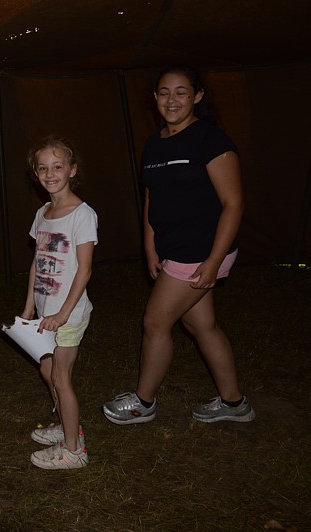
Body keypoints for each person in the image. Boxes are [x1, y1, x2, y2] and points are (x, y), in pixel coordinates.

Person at [102, 65, 255, 425]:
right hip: (175, 247)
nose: (172, 100)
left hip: (199, 250)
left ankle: (143, 403)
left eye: (181, 92)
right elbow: (152, 197)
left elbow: (234, 204)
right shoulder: (155, 143)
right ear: (155, 98)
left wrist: (214, 260)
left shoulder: (211, 141)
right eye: (164, 92)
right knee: (202, 325)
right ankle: (234, 404)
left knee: (155, 322)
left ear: (197, 96)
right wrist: (150, 245)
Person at [20, 135, 97, 470]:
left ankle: (74, 451)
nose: (50, 174)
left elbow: (84, 270)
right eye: (43, 168)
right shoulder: (43, 213)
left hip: (68, 314)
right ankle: (67, 426)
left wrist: (64, 313)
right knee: (47, 369)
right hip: (45, 312)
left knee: (61, 378)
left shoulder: (82, 214)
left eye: (57, 167)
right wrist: (29, 307)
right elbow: (37, 262)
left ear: (72, 170)